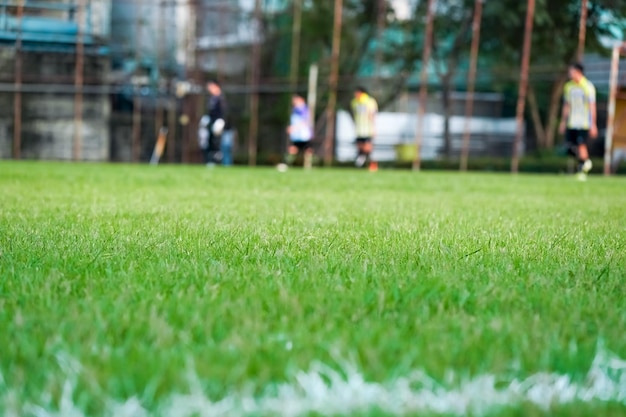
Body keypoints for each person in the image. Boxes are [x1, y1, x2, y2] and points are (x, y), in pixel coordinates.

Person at [559, 62, 597, 181]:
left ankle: (582, 170)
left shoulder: (587, 86)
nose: (570, 74)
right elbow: (566, 105)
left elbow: (592, 106)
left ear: (578, 72)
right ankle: (586, 161)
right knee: (570, 147)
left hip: (584, 122)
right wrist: (563, 122)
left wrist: (593, 124)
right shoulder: (568, 86)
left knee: (581, 145)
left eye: (572, 71)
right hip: (572, 122)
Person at [350, 86, 378, 170]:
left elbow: (372, 115)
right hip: (359, 129)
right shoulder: (354, 102)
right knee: (359, 146)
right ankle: (361, 161)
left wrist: (374, 128)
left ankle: (371, 163)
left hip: (367, 128)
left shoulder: (370, 101)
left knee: (367, 147)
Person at [284, 94, 313, 169]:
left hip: (303, 134)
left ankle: (308, 165)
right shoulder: (295, 109)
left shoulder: (303, 110)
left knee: (307, 149)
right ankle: (287, 164)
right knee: (293, 149)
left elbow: (304, 121)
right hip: (297, 135)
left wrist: (293, 128)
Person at [203, 80, 228, 166]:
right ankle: (211, 161)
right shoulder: (211, 98)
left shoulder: (221, 98)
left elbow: (224, 111)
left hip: (219, 122)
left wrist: (221, 120)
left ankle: (220, 162)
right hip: (212, 122)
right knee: (210, 140)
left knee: (219, 142)